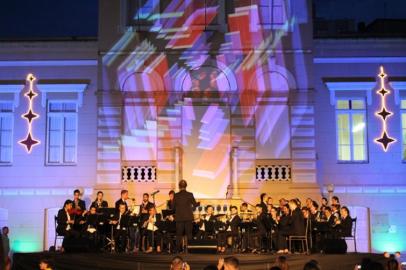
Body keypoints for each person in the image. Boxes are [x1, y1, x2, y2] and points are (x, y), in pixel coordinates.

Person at [173, 179, 199, 253]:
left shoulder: (176, 195)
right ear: (186, 186)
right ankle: (190, 250)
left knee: (179, 235)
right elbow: (195, 204)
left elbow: (173, 207)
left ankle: (178, 250)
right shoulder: (190, 194)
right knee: (189, 234)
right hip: (188, 217)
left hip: (179, 218)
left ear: (179, 186)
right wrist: (198, 203)